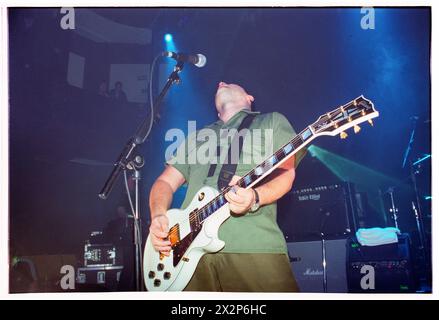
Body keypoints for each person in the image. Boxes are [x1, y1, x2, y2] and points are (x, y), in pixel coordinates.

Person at [148, 81, 306, 292]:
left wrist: (255, 197)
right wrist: (159, 215)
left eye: (229, 83)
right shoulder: (197, 136)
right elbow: (165, 181)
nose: (221, 83)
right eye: (220, 83)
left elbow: (286, 173)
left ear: (249, 97)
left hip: (252, 246)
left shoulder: (270, 121)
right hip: (186, 257)